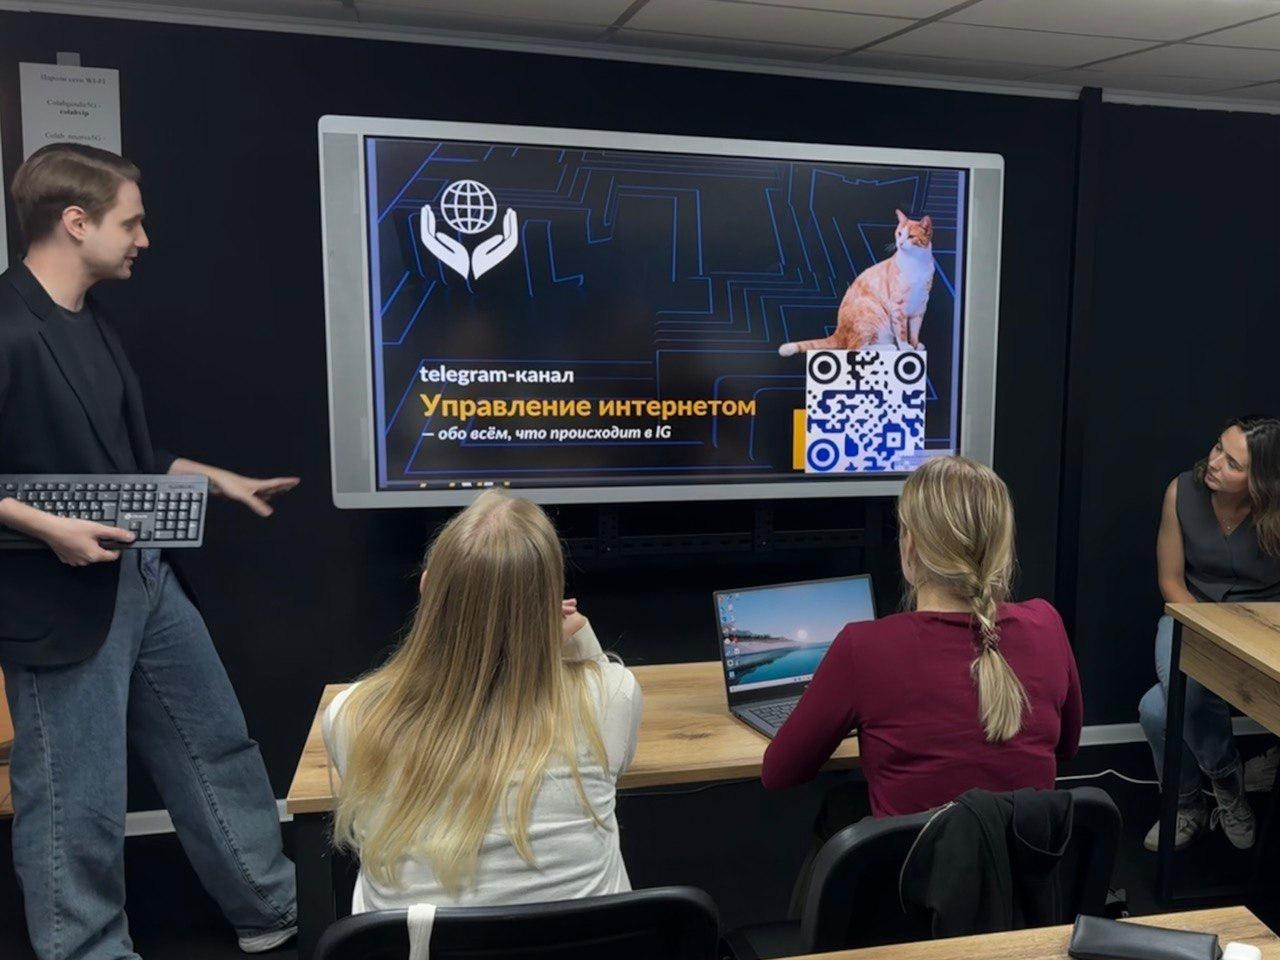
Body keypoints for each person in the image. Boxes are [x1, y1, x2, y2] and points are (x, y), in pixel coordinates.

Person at [0, 144, 299, 960]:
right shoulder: (8, 326)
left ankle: (272, 914)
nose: (144, 239)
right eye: (130, 222)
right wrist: (49, 528)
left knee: (218, 747)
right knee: (75, 800)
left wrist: (214, 479)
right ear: (76, 222)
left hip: (143, 576)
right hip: (58, 600)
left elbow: (122, 461)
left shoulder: (91, 322)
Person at [324, 491, 642, 910]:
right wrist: (577, 642)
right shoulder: (613, 696)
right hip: (590, 941)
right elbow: (615, 755)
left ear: (426, 588)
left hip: (416, 943)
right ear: (550, 604)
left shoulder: (350, 715)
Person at [762, 455, 1083, 820]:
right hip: (1030, 854)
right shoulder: (1046, 623)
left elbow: (780, 772)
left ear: (910, 545)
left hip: (913, 858)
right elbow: (1066, 747)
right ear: (1003, 546)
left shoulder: (863, 647)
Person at [1138, 415, 1280, 852]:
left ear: (1260, 481)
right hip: (1189, 611)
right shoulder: (1181, 491)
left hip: (1260, 623)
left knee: (1155, 710)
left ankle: (1184, 804)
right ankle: (1222, 788)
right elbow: (1171, 581)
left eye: (1233, 464)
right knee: (1192, 694)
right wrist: (1211, 634)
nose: (1215, 463)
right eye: (1219, 447)